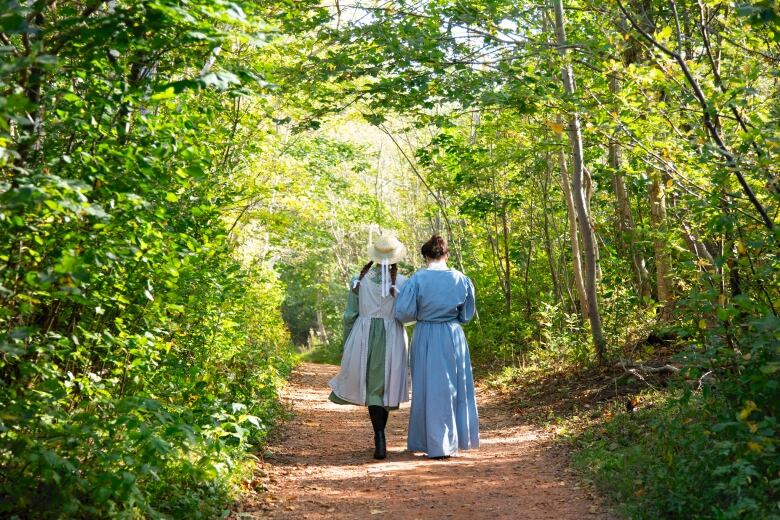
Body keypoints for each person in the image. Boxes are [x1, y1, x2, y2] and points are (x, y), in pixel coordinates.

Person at [394, 234, 479, 458]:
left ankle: (429, 441)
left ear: (425, 257)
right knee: (452, 387)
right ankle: (450, 441)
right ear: (446, 255)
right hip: (452, 334)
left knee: (427, 387)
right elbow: (467, 315)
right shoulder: (461, 279)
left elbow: (403, 313)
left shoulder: (417, 279)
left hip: (426, 334)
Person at [328, 233, 410, 460]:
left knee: (372, 387)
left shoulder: (359, 280)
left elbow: (349, 315)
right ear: (395, 257)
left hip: (363, 335)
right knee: (384, 388)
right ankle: (381, 435)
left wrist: (347, 343)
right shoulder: (403, 282)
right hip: (392, 336)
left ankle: (379, 435)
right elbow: (408, 314)